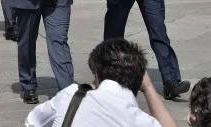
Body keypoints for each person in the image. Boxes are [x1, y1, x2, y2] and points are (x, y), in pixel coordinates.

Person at [25, 38, 179, 127]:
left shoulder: (71, 96)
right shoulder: (139, 121)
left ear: (97, 74)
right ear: (139, 78)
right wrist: (149, 88)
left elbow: (32, 122)